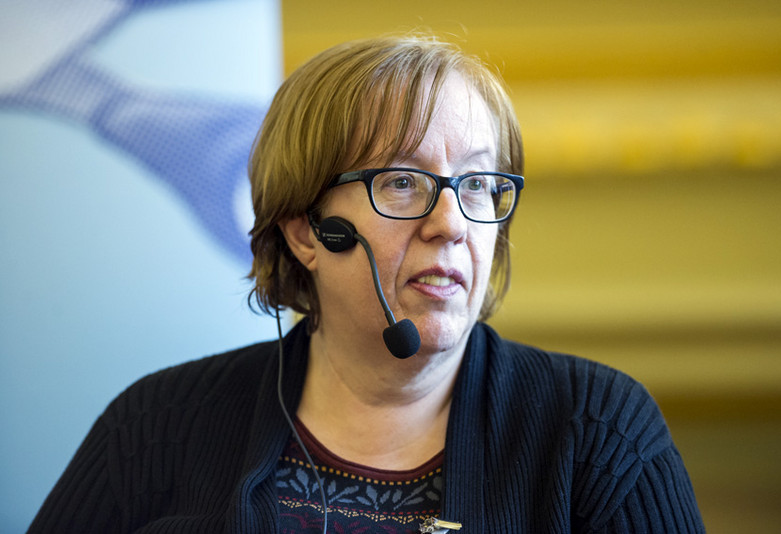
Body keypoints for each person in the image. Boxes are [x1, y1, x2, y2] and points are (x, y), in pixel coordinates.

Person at [29, 34, 704, 533]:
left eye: (477, 184)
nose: (452, 224)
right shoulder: (159, 427)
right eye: (404, 182)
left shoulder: (596, 433)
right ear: (306, 230)